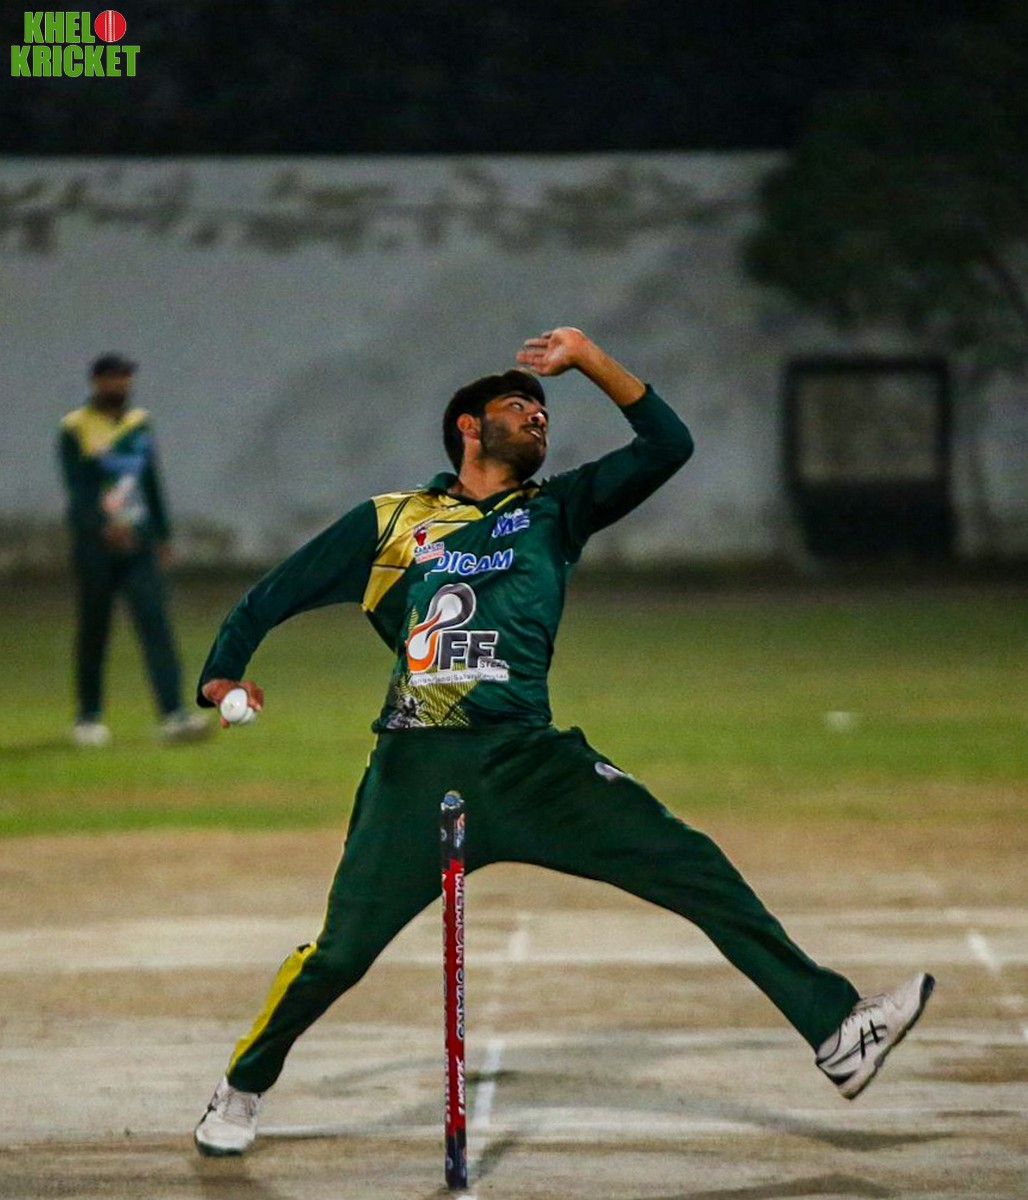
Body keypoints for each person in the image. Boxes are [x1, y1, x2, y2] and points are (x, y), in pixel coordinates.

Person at [192, 327, 934, 1156]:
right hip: (418, 769)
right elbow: (268, 597)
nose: (538, 418)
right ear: (469, 426)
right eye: (519, 407)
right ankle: (242, 1085)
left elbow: (668, 445)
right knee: (338, 957)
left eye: (544, 410)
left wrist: (589, 359)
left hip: (531, 763)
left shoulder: (557, 508)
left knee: (691, 863)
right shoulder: (390, 522)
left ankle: (836, 1030)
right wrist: (221, 678)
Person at [58, 353, 209, 747]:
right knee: (95, 630)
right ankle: (88, 718)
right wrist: (101, 526)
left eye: (125, 378)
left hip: (138, 544)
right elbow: (78, 489)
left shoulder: (138, 425)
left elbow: (151, 481)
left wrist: (162, 535)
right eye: (113, 378)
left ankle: (173, 714)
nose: (121, 385)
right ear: (97, 382)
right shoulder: (76, 427)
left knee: (156, 624)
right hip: (96, 547)